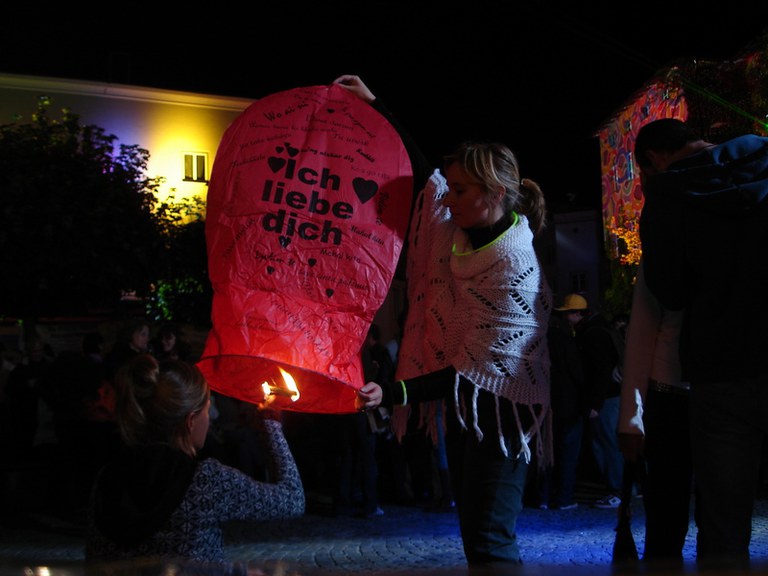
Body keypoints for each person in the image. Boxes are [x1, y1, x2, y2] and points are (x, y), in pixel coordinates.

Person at [336, 75, 553, 566]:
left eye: (461, 190)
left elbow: (473, 370)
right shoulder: (454, 230)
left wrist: (393, 392)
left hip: (502, 415)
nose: (448, 199)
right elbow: (425, 176)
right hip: (464, 412)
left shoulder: (514, 268)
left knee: (492, 540)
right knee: (477, 540)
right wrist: (374, 102)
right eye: (452, 190)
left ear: (494, 191)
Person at [634, 117, 768, 569]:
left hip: (720, 366)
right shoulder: (763, 158)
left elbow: (669, 291)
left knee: (725, 522)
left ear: (654, 159)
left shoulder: (667, 198)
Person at [85, 354, 306, 569]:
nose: (209, 420)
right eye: (207, 410)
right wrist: (271, 424)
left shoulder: (106, 477)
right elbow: (292, 499)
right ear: (191, 420)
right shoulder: (206, 481)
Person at [618, 257, 692, 566]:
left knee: (669, 519)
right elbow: (641, 337)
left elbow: (641, 337)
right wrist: (631, 420)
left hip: (674, 393)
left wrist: (630, 420)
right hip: (676, 394)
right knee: (672, 520)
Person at [570, 294, 625, 509]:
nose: (565, 319)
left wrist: (594, 403)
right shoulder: (602, 329)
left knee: (606, 443)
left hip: (605, 399)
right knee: (611, 442)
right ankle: (622, 488)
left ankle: (616, 490)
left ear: (577, 314)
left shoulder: (592, 335)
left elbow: (599, 372)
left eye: (568, 314)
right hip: (611, 396)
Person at [539, 294, 588, 511]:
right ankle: (564, 497)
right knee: (567, 452)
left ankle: (543, 496)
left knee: (549, 451)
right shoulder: (567, 340)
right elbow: (576, 373)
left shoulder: (545, 337)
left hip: (548, 402)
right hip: (567, 404)